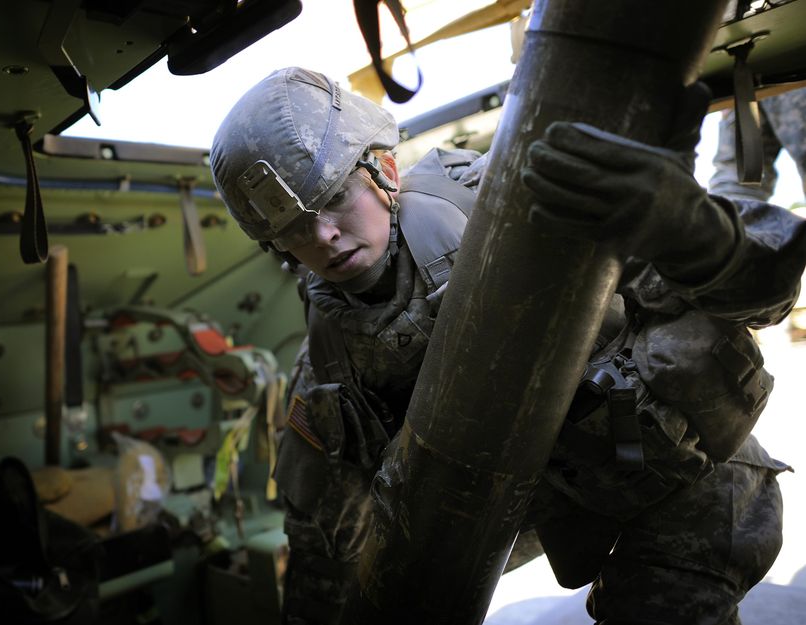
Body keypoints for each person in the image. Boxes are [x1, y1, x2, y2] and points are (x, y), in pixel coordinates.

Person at [209, 67, 806, 625]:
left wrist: (694, 235)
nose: (323, 236)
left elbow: (772, 285)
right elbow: (319, 525)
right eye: (291, 228)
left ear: (385, 171)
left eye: (335, 198)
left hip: (691, 485)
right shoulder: (331, 345)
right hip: (566, 507)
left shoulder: (509, 221)